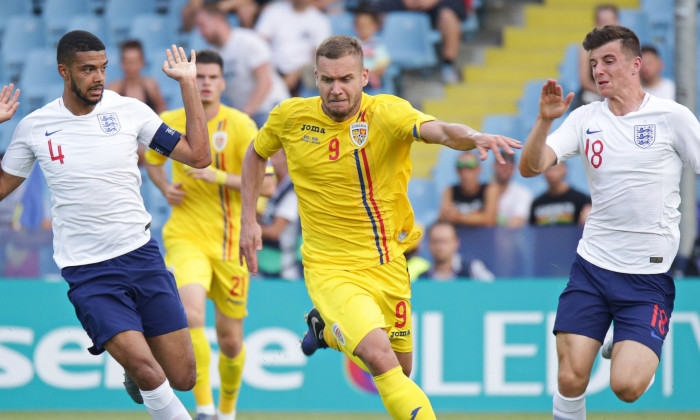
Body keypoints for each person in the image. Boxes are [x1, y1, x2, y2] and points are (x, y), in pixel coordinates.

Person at [238, 34, 520, 420]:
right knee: (378, 356)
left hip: (388, 262)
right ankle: (335, 324)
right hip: (330, 266)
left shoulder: (387, 114)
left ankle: (327, 331)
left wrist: (473, 137)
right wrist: (248, 219)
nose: (336, 89)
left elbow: (438, 130)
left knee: (401, 371)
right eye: (327, 80)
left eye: (346, 79)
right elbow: (255, 153)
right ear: (315, 78)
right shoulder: (290, 117)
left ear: (365, 76)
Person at [0, 31, 212, 420]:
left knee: (183, 378)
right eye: (87, 70)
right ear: (64, 71)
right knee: (150, 371)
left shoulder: (130, 112)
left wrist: (187, 83)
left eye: (102, 68)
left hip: (143, 257)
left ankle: (135, 372)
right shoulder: (34, 127)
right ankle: (139, 369)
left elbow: (198, 156)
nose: (98, 77)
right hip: (89, 271)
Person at [518, 25, 700, 419]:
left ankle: (627, 347)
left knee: (627, 388)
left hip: (647, 278)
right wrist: (544, 121)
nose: (598, 70)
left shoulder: (672, 117)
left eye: (608, 61)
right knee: (570, 378)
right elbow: (531, 167)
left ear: (635, 65)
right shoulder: (585, 119)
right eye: (593, 63)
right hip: (593, 268)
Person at [145, 49, 272, 420]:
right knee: (191, 315)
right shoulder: (169, 121)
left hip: (231, 243)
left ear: (223, 83)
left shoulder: (241, 125)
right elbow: (151, 162)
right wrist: (165, 187)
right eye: (199, 77)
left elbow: (267, 185)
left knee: (231, 341)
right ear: (190, 80)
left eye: (212, 77)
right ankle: (203, 410)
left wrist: (217, 176)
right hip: (186, 237)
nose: (205, 83)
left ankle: (227, 413)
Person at [195, 4, 290, 128]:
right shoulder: (214, 53)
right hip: (246, 116)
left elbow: (265, 81)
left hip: (271, 109)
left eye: (202, 25)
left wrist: (245, 113)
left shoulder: (247, 40)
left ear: (217, 19)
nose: (200, 33)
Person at [254, 0, 332, 96]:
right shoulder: (274, 11)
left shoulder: (319, 19)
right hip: (272, 68)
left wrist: (297, 73)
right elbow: (259, 41)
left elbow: (319, 53)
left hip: (302, 73)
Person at [258, 149, 301, 280]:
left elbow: (275, 232)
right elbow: (261, 217)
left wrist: (247, 228)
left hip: (285, 270)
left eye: (275, 155)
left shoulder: (292, 191)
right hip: (263, 265)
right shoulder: (272, 186)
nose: (270, 160)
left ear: (286, 157)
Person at [418, 220, 494, 281]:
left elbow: (492, 290)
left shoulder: (471, 269)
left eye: (445, 241)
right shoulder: (422, 278)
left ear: (456, 243)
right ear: (428, 244)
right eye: (435, 241)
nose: (440, 246)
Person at [438, 150, 497, 226]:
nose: (465, 172)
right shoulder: (450, 190)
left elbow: (489, 219)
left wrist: (459, 217)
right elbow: (443, 216)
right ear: (456, 171)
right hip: (458, 236)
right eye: (460, 167)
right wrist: (476, 216)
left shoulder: (489, 189)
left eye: (470, 167)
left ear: (479, 169)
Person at [577, 4, 619, 106]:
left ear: (618, 22)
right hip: (594, 94)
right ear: (596, 24)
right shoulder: (587, 48)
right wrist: (608, 93)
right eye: (603, 22)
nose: (607, 26)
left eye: (610, 21)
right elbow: (585, 82)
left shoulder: (626, 47)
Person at [529, 162, 591, 226]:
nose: (551, 174)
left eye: (555, 169)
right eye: (547, 170)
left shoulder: (581, 200)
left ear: (565, 169)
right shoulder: (537, 203)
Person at [353, 9, 391, 92]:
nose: (362, 29)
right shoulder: (352, 44)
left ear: (374, 26)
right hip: (356, 79)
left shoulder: (378, 45)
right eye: (359, 26)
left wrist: (368, 75)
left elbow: (382, 67)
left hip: (371, 80)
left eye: (366, 25)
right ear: (355, 27)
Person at [491, 153, 533, 228]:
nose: (505, 169)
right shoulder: (484, 191)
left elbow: (518, 221)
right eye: (501, 165)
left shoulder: (523, 194)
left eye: (509, 165)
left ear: (514, 168)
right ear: (494, 166)